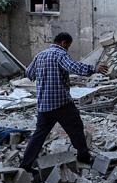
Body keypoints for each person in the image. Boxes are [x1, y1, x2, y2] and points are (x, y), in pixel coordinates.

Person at [19, 32, 108, 172]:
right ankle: (83, 157)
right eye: (68, 46)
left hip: (44, 105)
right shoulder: (60, 54)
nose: (68, 49)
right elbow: (74, 67)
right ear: (64, 43)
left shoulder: (40, 55)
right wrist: (93, 68)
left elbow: (29, 74)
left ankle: (25, 165)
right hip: (61, 103)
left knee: (39, 135)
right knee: (76, 128)